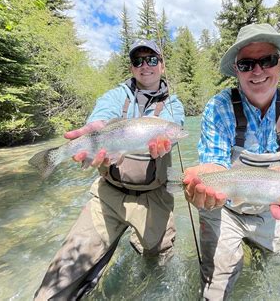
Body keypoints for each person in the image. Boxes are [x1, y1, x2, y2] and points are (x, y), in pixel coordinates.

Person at [34, 39, 185, 300]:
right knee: (64, 274)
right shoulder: (116, 95)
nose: (145, 66)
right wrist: (95, 128)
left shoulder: (173, 104)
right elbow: (101, 116)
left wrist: (168, 139)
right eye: (138, 61)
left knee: (158, 265)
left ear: (161, 65)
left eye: (151, 60)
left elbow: (175, 124)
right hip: (108, 195)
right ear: (132, 67)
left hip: (154, 198)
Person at [183, 23, 280, 300]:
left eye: (267, 60)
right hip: (222, 208)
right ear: (237, 70)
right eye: (247, 64)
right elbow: (214, 162)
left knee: (273, 273)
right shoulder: (219, 106)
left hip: (270, 209)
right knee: (215, 288)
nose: (257, 71)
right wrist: (204, 179)